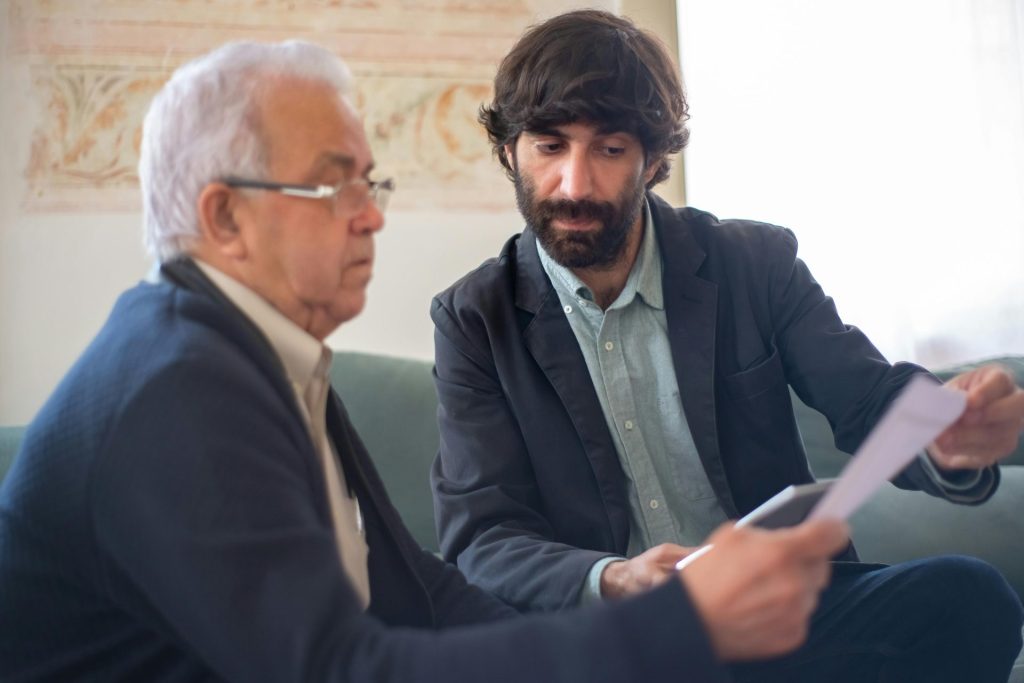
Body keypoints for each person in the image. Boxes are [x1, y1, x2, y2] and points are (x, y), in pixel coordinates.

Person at [0, 39, 859, 683]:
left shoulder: (255, 356)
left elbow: (421, 590)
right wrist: (670, 630)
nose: (371, 218)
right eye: (334, 184)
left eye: (370, 185)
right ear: (224, 218)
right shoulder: (176, 387)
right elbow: (341, 669)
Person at [430, 9, 1024, 682]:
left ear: (653, 159)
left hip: (782, 614)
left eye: (610, 149)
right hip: (618, 638)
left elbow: (869, 400)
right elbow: (484, 535)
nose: (574, 183)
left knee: (968, 597)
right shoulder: (473, 318)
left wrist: (943, 432)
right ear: (511, 150)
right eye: (549, 146)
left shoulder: (754, 262)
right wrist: (615, 576)